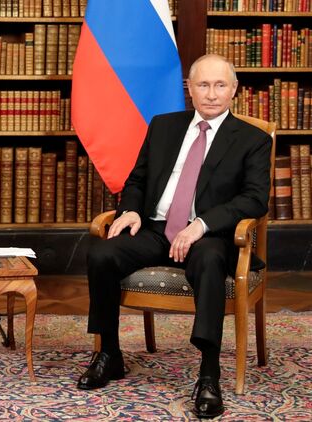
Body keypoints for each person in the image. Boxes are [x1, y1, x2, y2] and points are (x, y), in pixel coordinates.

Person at [79, 54, 271, 419]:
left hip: (209, 236)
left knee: (210, 260)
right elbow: (137, 179)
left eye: (220, 85)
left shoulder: (253, 139)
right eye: (203, 85)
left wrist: (202, 224)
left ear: (234, 89)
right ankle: (109, 353)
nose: (211, 94)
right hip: (156, 229)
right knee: (102, 253)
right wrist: (131, 209)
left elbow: (254, 199)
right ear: (190, 89)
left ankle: (209, 374)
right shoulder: (164, 126)